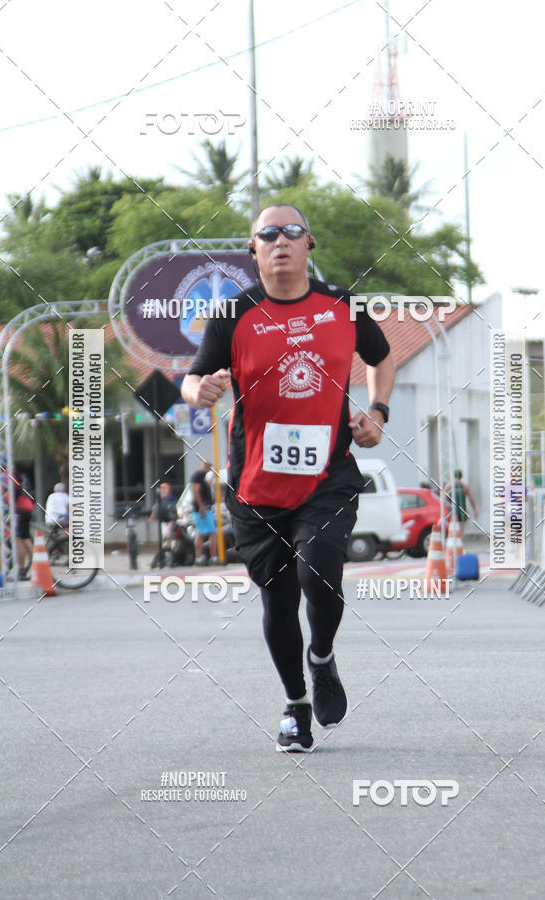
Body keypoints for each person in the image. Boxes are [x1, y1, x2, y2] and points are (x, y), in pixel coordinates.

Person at [182, 203, 394, 752]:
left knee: (319, 572)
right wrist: (198, 391)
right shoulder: (234, 313)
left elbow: (382, 358)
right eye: (268, 234)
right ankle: (296, 705)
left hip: (328, 476)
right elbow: (193, 379)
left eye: (292, 232)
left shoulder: (342, 305)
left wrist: (378, 410)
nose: (281, 241)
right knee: (277, 603)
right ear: (253, 249)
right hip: (254, 487)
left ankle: (321, 656)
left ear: (309, 244)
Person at [190, 461, 218, 564]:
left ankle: (201, 557)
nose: (209, 468)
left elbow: (204, 488)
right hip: (202, 509)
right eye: (207, 466)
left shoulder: (202, 477)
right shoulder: (197, 476)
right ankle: (210, 557)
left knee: (202, 533)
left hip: (205, 508)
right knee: (210, 533)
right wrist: (201, 507)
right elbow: (196, 491)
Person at [14, 471, 35, 580]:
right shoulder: (18, 474)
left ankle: (21, 570)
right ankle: (39, 565)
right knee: (25, 538)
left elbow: (14, 493)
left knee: (18, 538)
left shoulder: (7, 476)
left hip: (19, 509)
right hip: (27, 507)